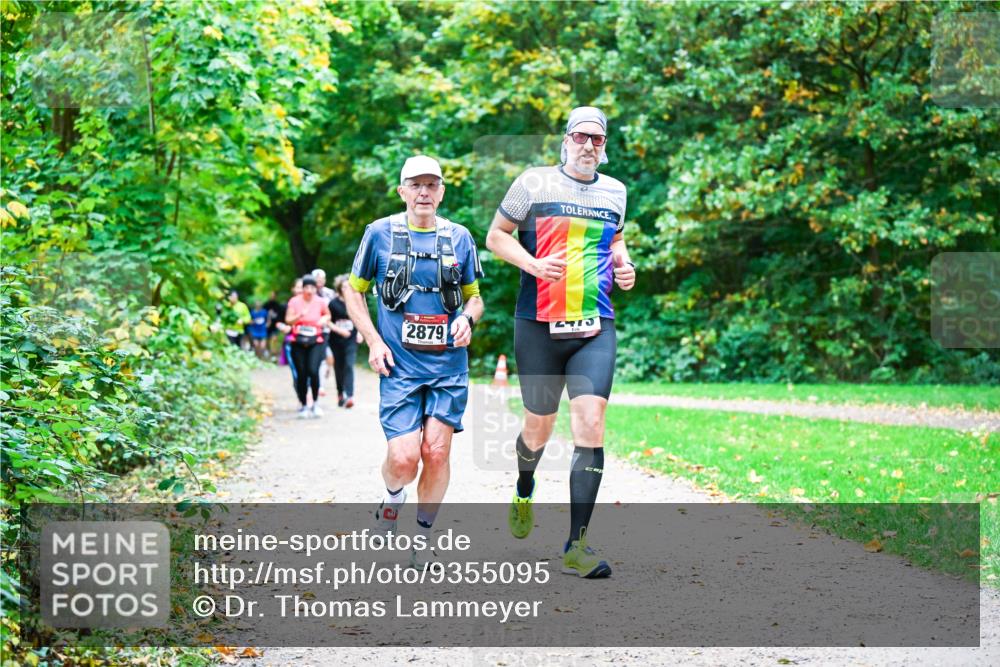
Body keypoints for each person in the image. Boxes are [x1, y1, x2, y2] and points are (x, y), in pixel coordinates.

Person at [485, 106, 635, 578]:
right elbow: (495, 236)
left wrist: (625, 265)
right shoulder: (533, 183)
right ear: (566, 140)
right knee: (538, 431)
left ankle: (576, 544)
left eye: (597, 138)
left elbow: (615, 243)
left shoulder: (616, 191)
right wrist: (532, 264)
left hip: (595, 323)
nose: (589, 145)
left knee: (590, 423)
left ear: (604, 145)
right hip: (538, 324)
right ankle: (524, 484)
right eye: (581, 136)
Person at [344, 155, 484, 570]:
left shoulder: (460, 237)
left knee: (437, 453)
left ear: (441, 191)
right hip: (399, 368)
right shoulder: (379, 234)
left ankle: (423, 537)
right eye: (416, 185)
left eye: (432, 185)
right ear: (402, 191)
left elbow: (475, 297)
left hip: (448, 368)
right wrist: (372, 340)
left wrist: (467, 318)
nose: (424, 192)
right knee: (404, 460)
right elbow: (353, 292)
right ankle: (391, 499)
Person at [285, 275, 331, 418]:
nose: (309, 290)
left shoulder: (320, 301)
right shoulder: (294, 301)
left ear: (315, 288)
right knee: (302, 374)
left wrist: (323, 320)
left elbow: (328, 315)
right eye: (307, 287)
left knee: (313, 370)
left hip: (315, 341)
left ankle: (315, 404)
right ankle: (304, 405)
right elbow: (288, 320)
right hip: (298, 342)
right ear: (303, 288)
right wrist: (299, 316)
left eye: (312, 287)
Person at [329, 274, 362, 408]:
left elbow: (360, 318)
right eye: (343, 287)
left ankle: (350, 395)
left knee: (349, 365)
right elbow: (328, 322)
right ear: (339, 288)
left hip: (351, 339)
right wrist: (339, 330)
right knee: (339, 367)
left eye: (348, 286)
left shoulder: (355, 301)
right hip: (336, 339)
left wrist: (360, 332)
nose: (346, 289)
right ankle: (340, 393)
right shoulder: (333, 303)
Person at [312, 269, 336, 396]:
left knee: (330, 355)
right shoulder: (309, 294)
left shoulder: (330, 293)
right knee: (323, 356)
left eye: (322, 280)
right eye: (317, 280)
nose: (319, 282)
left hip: (330, 329)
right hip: (315, 330)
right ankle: (319, 384)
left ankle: (328, 369)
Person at [263, 290, 284, 359]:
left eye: (273, 295)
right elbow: (263, 315)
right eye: (270, 295)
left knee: (274, 339)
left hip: (275, 325)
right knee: (267, 340)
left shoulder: (278, 305)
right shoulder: (266, 305)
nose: (272, 297)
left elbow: (280, 315)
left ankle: (274, 354)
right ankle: (269, 352)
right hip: (268, 326)